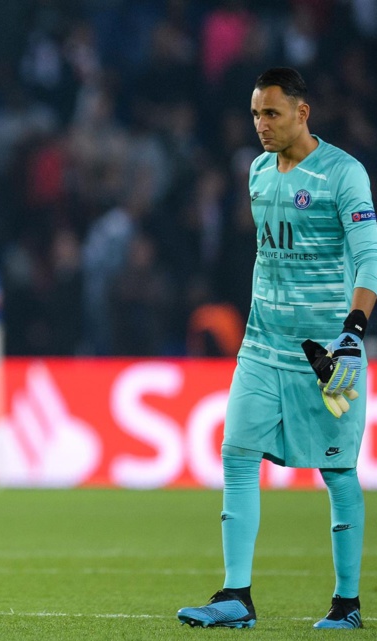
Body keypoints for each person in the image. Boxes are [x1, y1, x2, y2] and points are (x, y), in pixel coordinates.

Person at [177, 67, 376, 630]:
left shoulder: (344, 174)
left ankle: (347, 604)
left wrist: (354, 331)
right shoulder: (258, 172)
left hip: (328, 354)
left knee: (337, 473)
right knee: (237, 453)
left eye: (272, 113)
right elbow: (272, 254)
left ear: (302, 112)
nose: (262, 126)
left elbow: (368, 258)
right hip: (262, 347)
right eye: (256, 115)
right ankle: (235, 596)